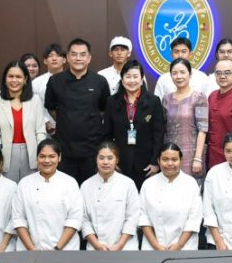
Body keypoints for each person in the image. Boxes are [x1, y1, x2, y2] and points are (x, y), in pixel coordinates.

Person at [45, 38, 110, 185]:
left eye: (82, 54)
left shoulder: (99, 81)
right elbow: (51, 107)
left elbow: (104, 109)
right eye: (74, 54)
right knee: (65, 190)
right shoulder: (55, 81)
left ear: (89, 58)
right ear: (67, 57)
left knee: (91, 190)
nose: (78, 58)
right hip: (65, 148)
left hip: (92, 148)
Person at [103, 60, 165, 190]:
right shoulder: (111, 102)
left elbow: (158, 134)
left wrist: (155, 162)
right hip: (120, 164)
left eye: (135, 76)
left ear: (142, 79)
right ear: (122, 78)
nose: (132, 80)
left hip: (146, 165)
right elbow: (107, 135)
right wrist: (112, 160)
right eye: (128, 76)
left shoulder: (153, 102)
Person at [12, 139, 83, 251]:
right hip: (29, 251)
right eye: (42, 156)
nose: (46, 160)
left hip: (65, 250)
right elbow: (18, 219)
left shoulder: (70, 183)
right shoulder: (24, 184)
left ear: (59, 158)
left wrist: (57, 248)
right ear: (37, 158)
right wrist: (32, 250)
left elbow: (75, 219)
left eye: (52, 156)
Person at [0, 61, 46, 183]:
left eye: (18, 77)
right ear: (5, 79)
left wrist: (41, 155)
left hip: (31, 152)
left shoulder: (35, 100)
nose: (14, 80)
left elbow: (40, 132)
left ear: (25, 80)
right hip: (6, 153)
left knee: (30, 190)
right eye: (11, 76)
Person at [139, 143, 203, 251]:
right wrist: (155, 245)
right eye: (165, 159)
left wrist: (178, 245)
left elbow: (194, 219)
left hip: (185, 247)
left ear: (181, 161)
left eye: (174, 159)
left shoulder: (190, 184)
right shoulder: (148, 184)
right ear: (159, 161)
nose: (170, 163)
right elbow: (143, 218)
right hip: (152, 247)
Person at [80, 141, 140, 251]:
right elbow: (83, 219)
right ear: (96, 159)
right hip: (95, 247)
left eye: (110, 158)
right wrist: (97, 245)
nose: (105, 162)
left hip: (126, 247)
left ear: (117, 160)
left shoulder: (128, 184)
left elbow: (133, 217)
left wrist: (119, 245)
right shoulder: (86, 186)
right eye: (101, 158)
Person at [163, 58, 209, 184]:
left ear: (190, 74)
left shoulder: (199, 98)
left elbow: (203, 129)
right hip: (170, 155)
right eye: (175, 73)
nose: (179, 76)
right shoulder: (166, 99)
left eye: (183, 72)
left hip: (192, 155)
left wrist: (198, 158)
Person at [32, 43, 66, 134]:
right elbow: (35, 105)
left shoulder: (72, 80)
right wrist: (46, 122)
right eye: (50, 56)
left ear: (64, 60)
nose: (54, 58)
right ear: (45, 61)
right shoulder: (36, 82)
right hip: (43, 128)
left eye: (58, 55)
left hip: (69, 126)